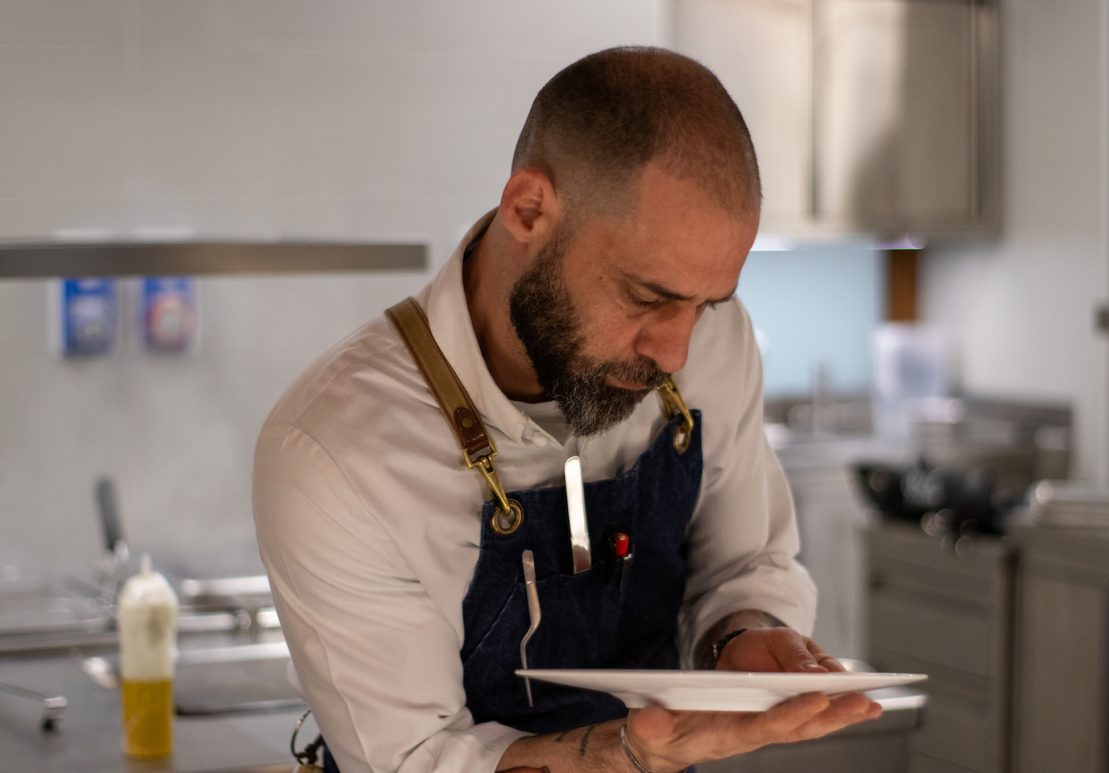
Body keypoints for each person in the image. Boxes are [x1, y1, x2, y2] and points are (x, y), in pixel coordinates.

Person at [252, 46, 881, 773]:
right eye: (647, 298)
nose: (677, 351)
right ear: (529, 210)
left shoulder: (712, 345)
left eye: (705, 304)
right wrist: (619, 755)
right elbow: (416, 761)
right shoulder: (333, 450)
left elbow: (746, 562)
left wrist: (741, 636)